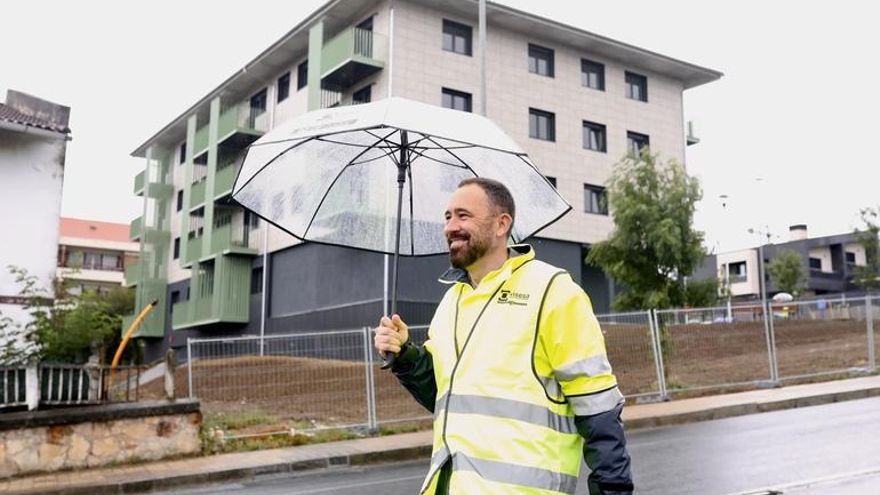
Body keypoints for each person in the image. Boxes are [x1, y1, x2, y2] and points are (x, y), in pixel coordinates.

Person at [374, 177, 633, 495]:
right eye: (447, 216)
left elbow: (598, 409)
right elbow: (447, 396)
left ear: (501, 224)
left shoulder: (552, 290)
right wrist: (405, 355)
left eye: (463, 215)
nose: (450, 226)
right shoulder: (451, 300)